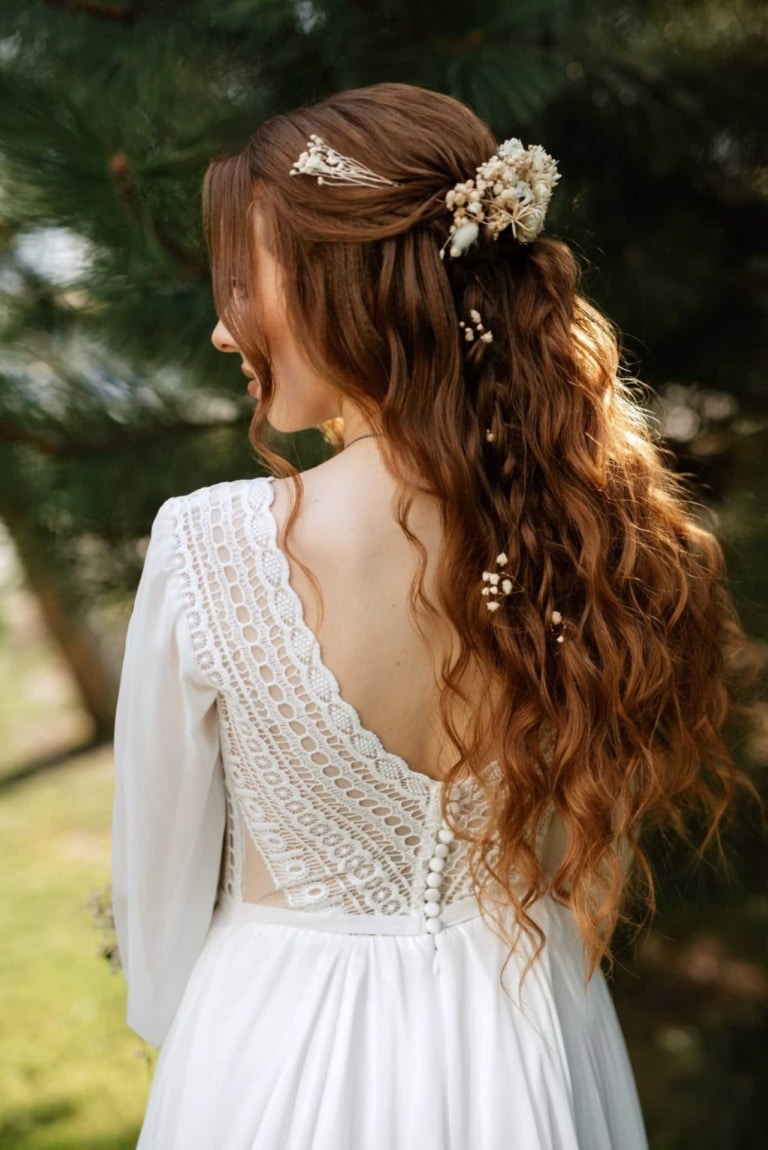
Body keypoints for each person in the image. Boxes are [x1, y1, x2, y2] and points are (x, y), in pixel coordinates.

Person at [111, 82, 761, 1149]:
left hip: (278, 1049)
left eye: (242, 283)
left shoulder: (209, 547)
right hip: (533, 1031)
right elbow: (577, 860)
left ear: (342, 285)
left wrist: (201, 1054)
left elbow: (158, 905)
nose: (227, 331)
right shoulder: (591, 536)